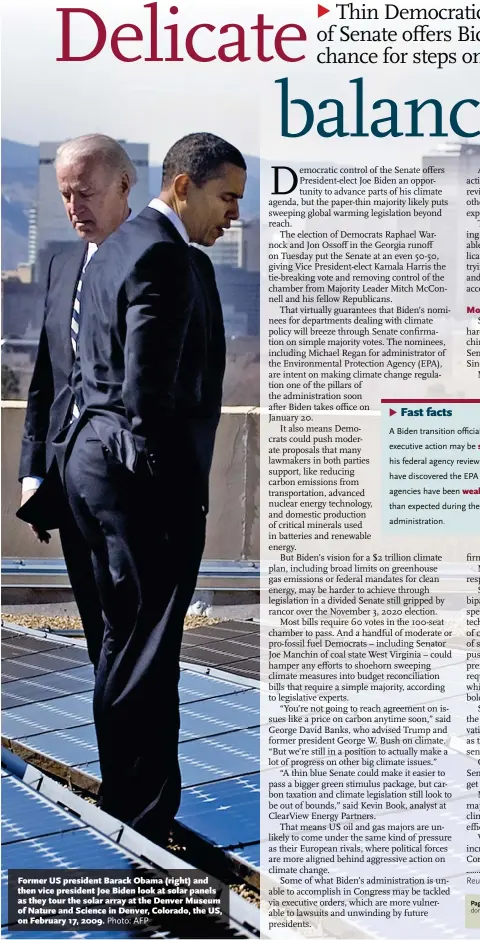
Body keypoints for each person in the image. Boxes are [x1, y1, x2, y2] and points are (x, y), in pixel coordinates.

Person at [60, 132, 246, 846]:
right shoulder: (166, 255)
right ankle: (142, 820)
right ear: (182, 185)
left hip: (92, 469)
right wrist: (169, 492)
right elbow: (149, 393)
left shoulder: (113, 251)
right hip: (136, 484)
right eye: (225, 196)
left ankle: (123, 801)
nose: (231, 215)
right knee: (145, 652)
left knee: (120, 644)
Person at [18, 134, 137, 669]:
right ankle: (109, 741)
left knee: (130, 633)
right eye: (66, 195)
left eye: (85, 193)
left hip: (128, 484)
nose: (74, 208)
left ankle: (135, 745)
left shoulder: (154, 261)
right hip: (67, 480)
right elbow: (47, 379)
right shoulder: (61, 265)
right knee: (95, 630)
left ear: (123, 186)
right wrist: (33, 473)